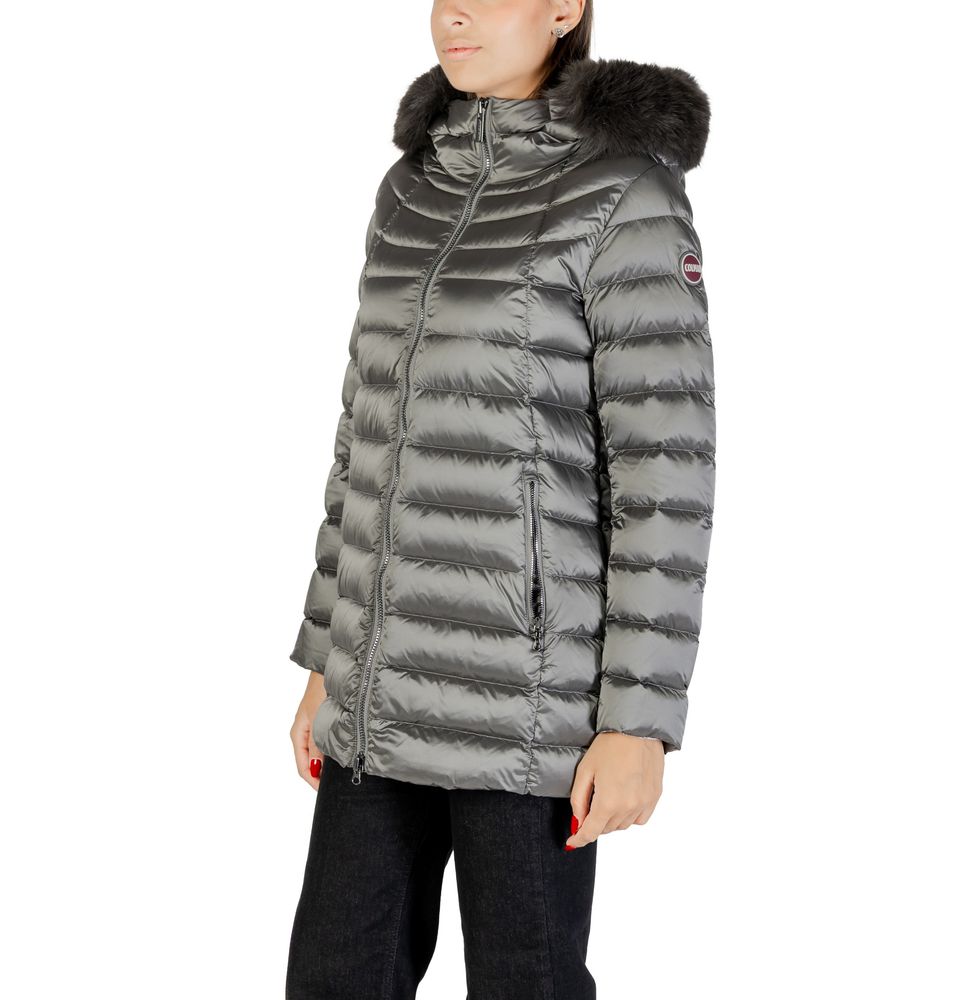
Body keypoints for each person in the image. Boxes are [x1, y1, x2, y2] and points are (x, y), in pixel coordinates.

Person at [284, 2, 715, 997]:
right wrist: (325, 659)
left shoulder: (624, 193)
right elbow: (363, 438)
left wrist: (638, 722)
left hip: (529, 703)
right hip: (376, 687)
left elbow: (664, 473)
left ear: (563, 8)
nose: (455, 14)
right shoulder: (413, 187)